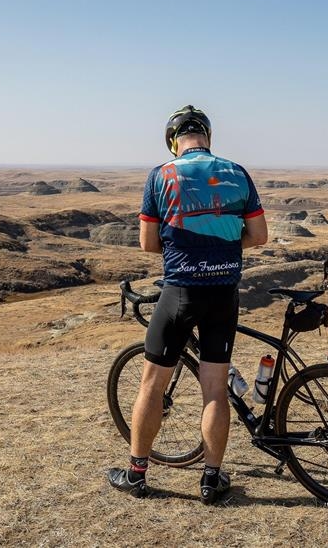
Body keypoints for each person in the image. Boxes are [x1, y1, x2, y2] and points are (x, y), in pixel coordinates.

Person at [107, 105, 268, 503]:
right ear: (208, 137)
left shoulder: (161, 175)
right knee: (215, 389)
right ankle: (211, 479)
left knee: (152, 384)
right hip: (224, 292)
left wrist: (188, 250)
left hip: (180, 291)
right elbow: (259, 235)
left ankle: (136, 474)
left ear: (173, 141)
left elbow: (148, 243)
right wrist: (223, 246)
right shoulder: (237, 172)